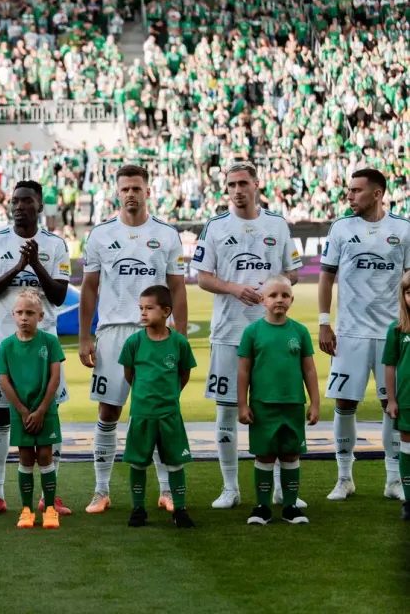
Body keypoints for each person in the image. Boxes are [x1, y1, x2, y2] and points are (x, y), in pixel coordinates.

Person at [79, 165, 187, 514]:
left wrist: (181, 336)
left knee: (159, 411)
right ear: (117, 193)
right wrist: (84, 337)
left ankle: (166, 490)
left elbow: (178, 288)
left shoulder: (166, 234)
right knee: (108, 411)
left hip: (155, 334)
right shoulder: (100, 235)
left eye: (136, 188)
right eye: (125, 188)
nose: (130, 194)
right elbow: (89, 287)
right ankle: (101, 490)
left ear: (147, 192)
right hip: (113, 333)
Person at [194, 163, 302, 509]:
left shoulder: (278, 224)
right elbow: (202, 277)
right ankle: (230, 488)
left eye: (243, 183)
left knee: (275, 409)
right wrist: (234, 288)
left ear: (256, 185)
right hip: (229, 332)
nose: (237, 190)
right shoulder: (215, 226)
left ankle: (282, 489)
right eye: (231, 185)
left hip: (272, 332)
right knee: (227, 411)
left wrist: (273, 287)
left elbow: (293, 273)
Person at [0, 180, 71, 518]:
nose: (19, 206)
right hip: (4, 344)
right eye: (15, 201)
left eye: (26, 201)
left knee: (50, 414)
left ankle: (50, 496)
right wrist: (17, 268)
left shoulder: (55, 244)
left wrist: (35, 265)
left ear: (39, 206)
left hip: (44, 346)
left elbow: (59, 296)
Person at [319, 168, 410, 501]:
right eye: (349, 190)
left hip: (391, 332)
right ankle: (344, 477)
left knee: (391, 404)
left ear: (377, 193)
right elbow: (326, 276)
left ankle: (393, 479)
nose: (349, 196)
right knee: (345, 403)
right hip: (350, 332)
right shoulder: (341, 228)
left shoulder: (403, 229)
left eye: (356, 190)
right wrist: (324, 322)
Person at [236, 276, 320, 526]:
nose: (279, 299)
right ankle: (262, 507)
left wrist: (315, 402)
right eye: (273, 295)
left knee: (291, 455)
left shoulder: (300, 331)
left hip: (293, 405)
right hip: (263, 406)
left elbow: (309, 369)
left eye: (285, 295)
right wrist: (243, 404)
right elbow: (243, 370)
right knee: (264, 456)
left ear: (292, 299)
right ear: (262, 300)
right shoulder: (252, 332)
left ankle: (290, 506)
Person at [120, 285, 196, 529]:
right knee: (138, 462)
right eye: (141, 308)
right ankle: (138, 509)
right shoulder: (133, 342)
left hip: (169, 414)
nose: (143, 313)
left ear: (166, 312)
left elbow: (184, 374)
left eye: (149, 308)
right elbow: (129, 374)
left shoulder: (179, 343)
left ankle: (180, 509)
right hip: (141, 414)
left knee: (175, 462)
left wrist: (170, 395)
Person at [0, 290, 65, 530]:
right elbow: (4, 382)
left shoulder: (50, 342)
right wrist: (24, 412)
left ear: (41, 316)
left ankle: (49, 509)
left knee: (45, 456)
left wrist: (42, 410)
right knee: (25, 457)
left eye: (30, 313)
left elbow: (55, 378)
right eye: (20, 312)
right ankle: (26, 510)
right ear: (13, 315)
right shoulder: (6, 345)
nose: (24, 317)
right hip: (20, 412)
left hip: (46, 410)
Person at [381, 271, 410, 521]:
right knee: (407, 449)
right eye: (409, 293)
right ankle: (409, 500)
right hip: (407, 400)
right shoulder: (398, 329)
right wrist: (391, 399)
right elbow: (389, 366)